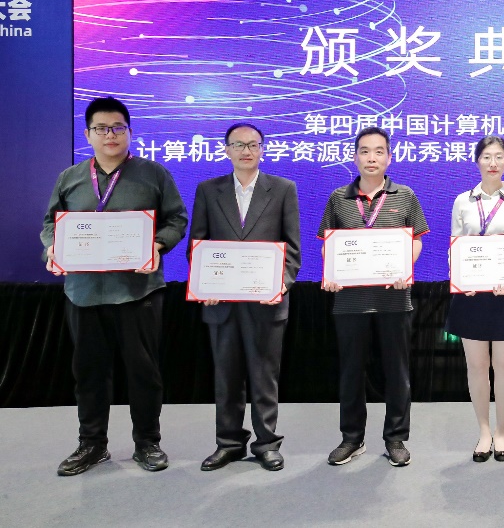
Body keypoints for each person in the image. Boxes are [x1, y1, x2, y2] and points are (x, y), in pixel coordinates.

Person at [41, 96, 188, 476]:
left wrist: (158, 245)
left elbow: (176, 219)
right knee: (89, 372)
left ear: (130, 132)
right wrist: (52, 249)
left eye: (118, 127)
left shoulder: (153, 174)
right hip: (84, 292)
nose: (111, 135)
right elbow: (51, 224)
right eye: (102, 128)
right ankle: (92, 444)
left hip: (138, 291)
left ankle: (147, 442)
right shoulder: (70, 178)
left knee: (143, 372)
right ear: (88, 134)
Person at [189, 123, 301, 472]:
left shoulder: (283, 189)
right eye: (238, 145)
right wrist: (203, 284)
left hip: (266, 302)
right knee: (226, 377)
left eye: (253, 145)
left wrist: (280, 284)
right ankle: (229, 443)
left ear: (262, 149)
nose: (246, 151)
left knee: (264, 377)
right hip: (222, 304)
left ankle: (267, 443)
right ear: (226, 150)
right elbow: (198, 245)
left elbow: (292, 249)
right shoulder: (208, 190)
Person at [319, 127, 429, 467]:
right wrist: (331, 273)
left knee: (397, 372)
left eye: (379, 151)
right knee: (351, 372)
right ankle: (352, 438)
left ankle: (395, 438)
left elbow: (417, 240)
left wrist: (405, 267)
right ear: (355, 157)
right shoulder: (338, 197)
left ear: (389, 157)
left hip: (394, 300)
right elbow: (328, 244)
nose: (371, 157)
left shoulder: (405, 195)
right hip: (350, 302)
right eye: (365, 151)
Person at [447, 135, 504, 463]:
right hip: (471, 295)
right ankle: (484, 431)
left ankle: (501, 431)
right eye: (486, 156)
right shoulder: (462, 201)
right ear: (477, 161)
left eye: (498, 156)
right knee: (477, 365)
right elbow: (455, 247)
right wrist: (461, 279)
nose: (493, 163)